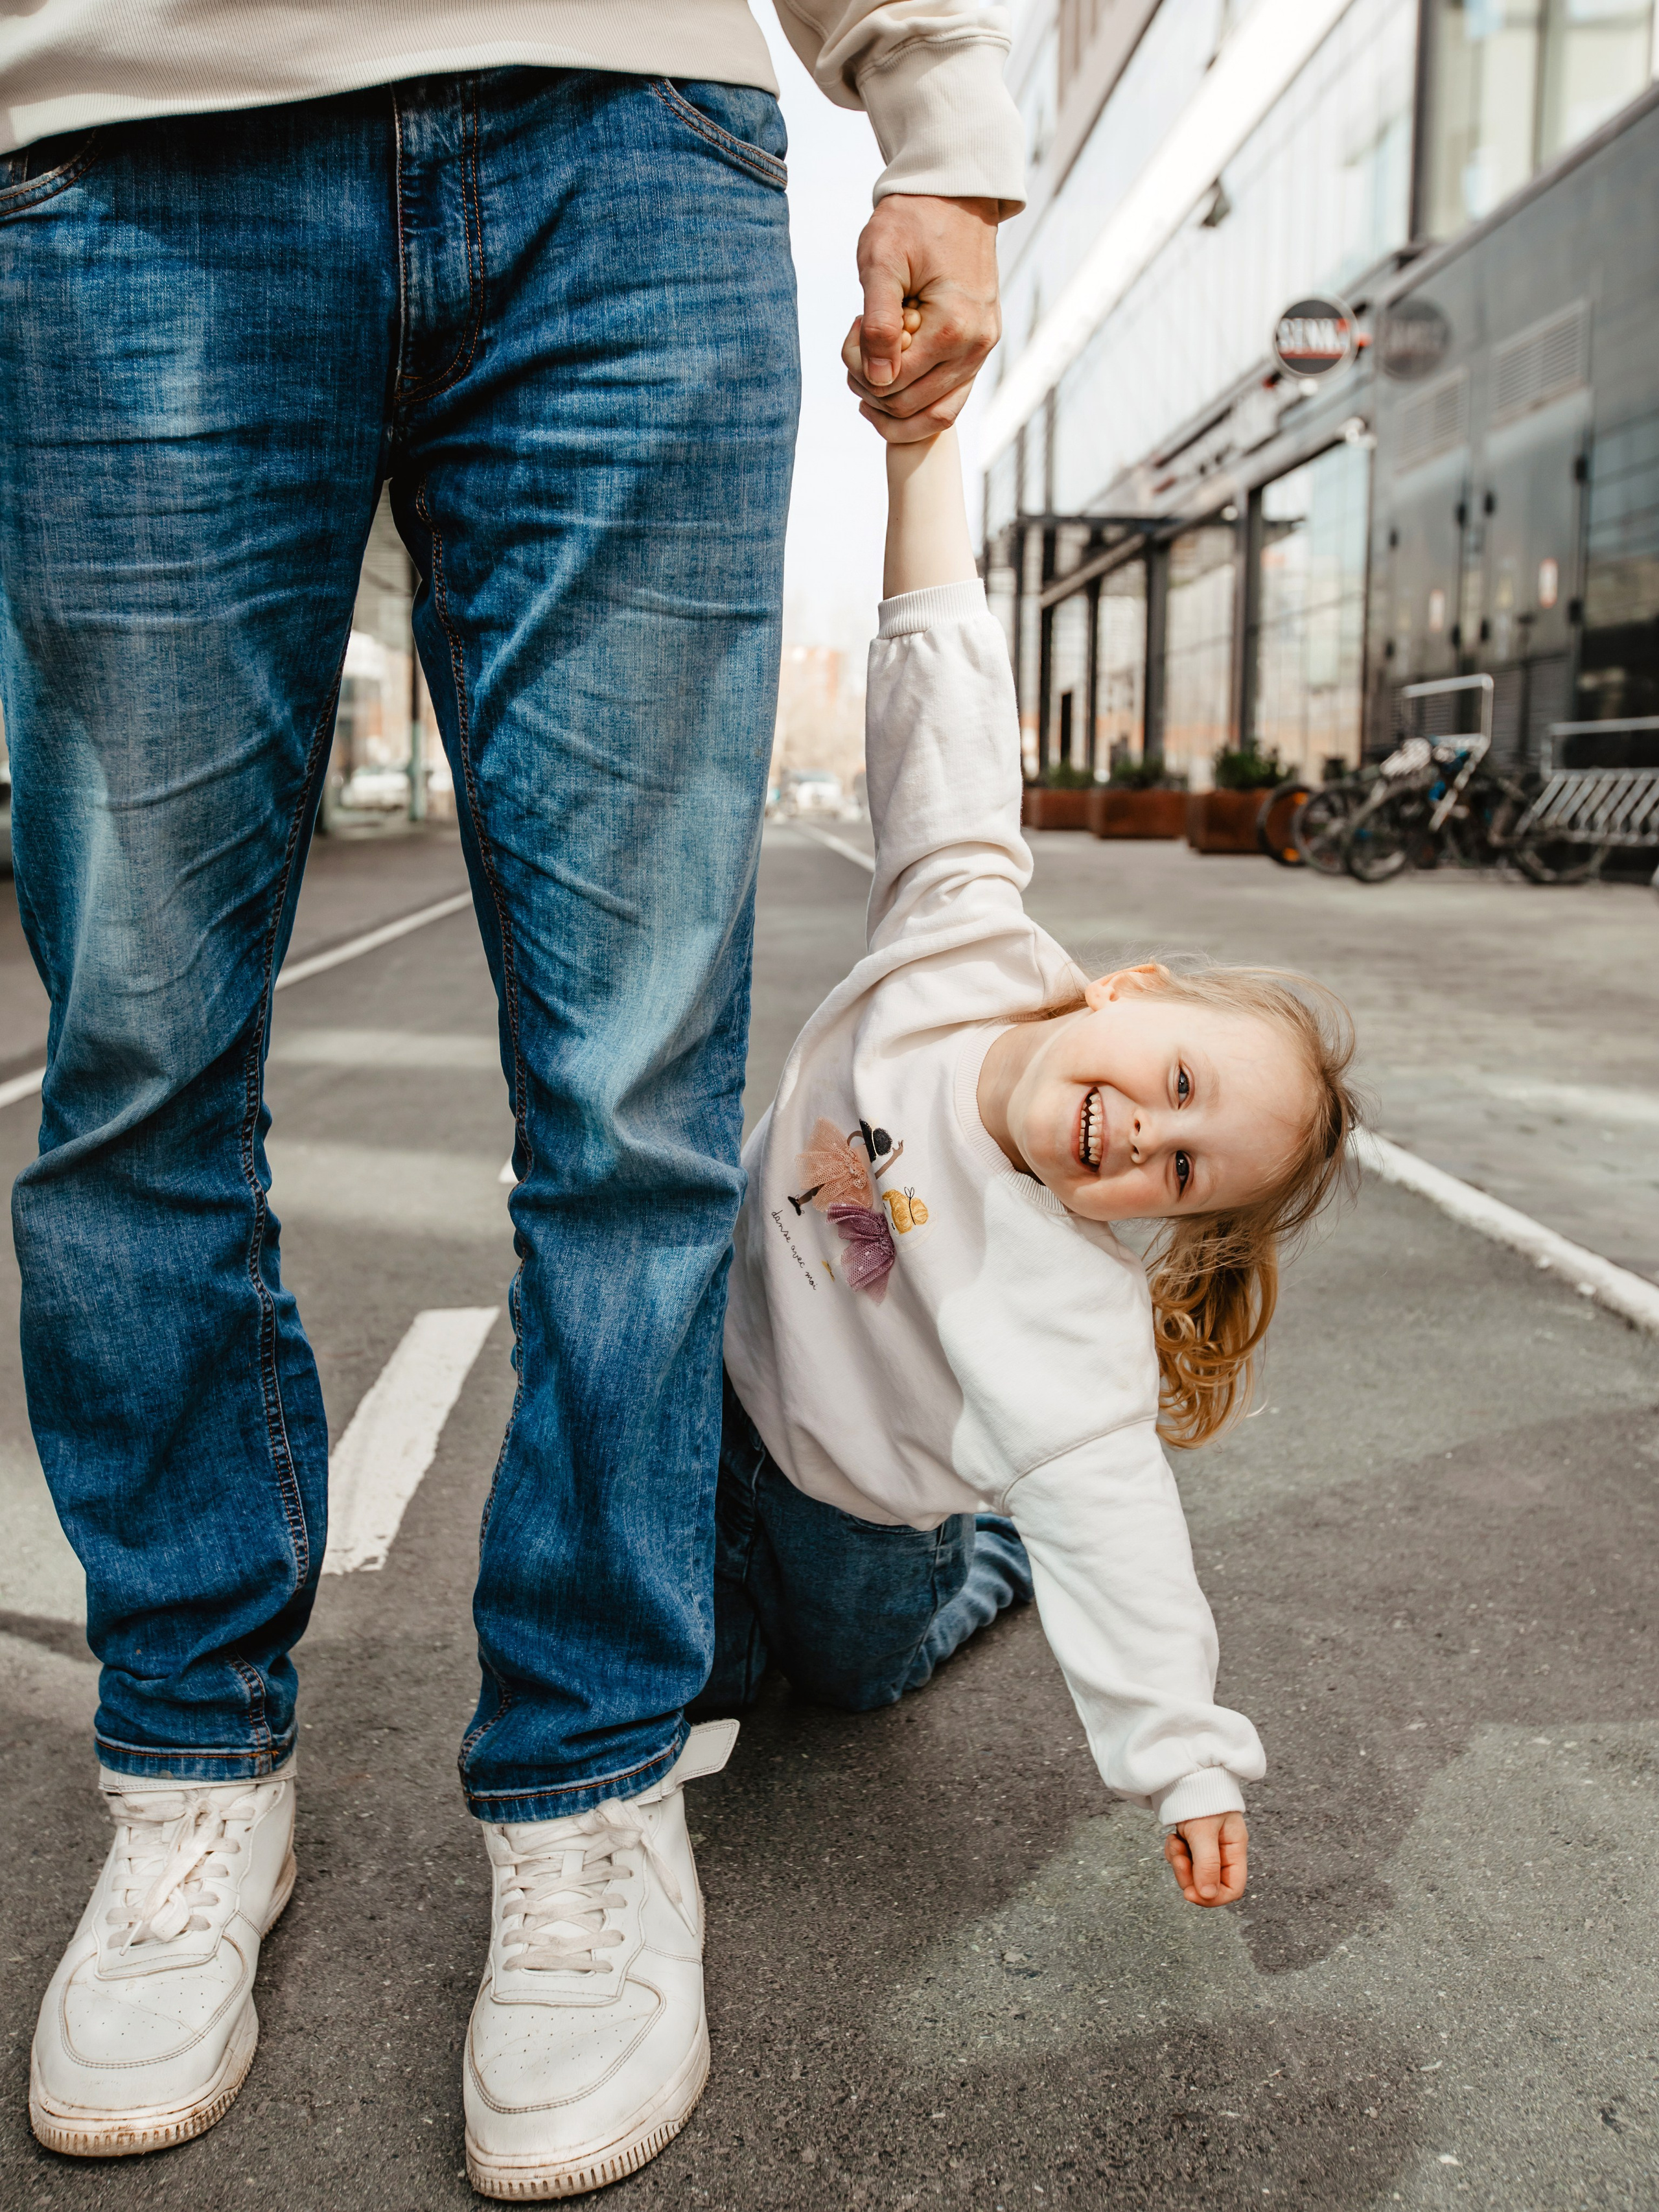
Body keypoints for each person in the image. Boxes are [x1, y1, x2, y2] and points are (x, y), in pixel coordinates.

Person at [1, 3, 1025, 2196]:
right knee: (133, 1074)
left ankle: (587, 1789)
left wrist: (936, 102)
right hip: (127, 143)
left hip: (623, 138)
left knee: (631, 1108)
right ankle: (194, 1773)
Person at [714, 424, 1361, 1916]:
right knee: (697, 1669)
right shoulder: (964, 946)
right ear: (1125, 991)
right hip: (713, 1373)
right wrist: (921, 451)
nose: (1148, 1136)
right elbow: (941, 692)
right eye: (1177, 1084)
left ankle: (980, 1556)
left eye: (1183, 1173)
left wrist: (1183, 1761)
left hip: (850, 1502)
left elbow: (1124, 1536)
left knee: (851, 1682)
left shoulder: (1070, 1323)